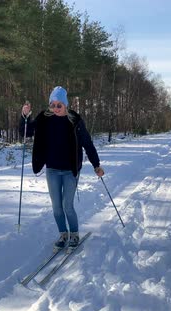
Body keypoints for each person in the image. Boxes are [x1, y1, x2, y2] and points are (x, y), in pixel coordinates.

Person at [20, 86, 104, 252]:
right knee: (56, 207)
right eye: (53, 105)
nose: (56, 108)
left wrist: (96, 165)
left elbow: (87, 144)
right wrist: (24, 116)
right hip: (52, 169)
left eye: (59, 105)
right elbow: (27, 132)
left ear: (66, 105)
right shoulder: (44, 118)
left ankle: (74, 234)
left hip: (70, 170)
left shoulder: (75, 120)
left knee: (67, 205)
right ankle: (63, 234)